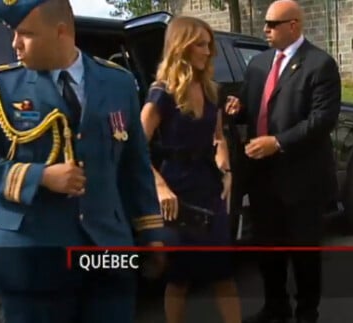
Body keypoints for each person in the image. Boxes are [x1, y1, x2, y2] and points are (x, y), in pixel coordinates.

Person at [0, 0, 165, 322]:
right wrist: (40, 176)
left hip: (106, 250)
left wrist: (152, 233)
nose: (15, 44)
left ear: (60, 32)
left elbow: (134, 165)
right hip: (32, 252)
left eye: (25, 34)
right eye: (14, 34)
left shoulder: (117, 82)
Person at [225, 1, 341, 322]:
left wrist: (277, 143)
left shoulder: (319, 64)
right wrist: (238, 108)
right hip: (262, 176)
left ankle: (306, 311)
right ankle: (275, 307)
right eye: (265, 23)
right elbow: (252, 105)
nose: (266, 29)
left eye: (273, 24)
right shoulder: (259, 64)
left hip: (302, 178)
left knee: (304, 252)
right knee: (268, 249)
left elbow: (322, 120)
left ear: (294, 26)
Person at [139, 16, 241, 323]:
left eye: (208, 44)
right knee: (179, 277)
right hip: (178, 190)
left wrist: (226, 170)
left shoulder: (211, 90)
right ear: (181, 47)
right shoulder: (162, 92)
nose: (207, 50)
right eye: (200, 44)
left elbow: (219, 137)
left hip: (209, 187)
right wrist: (158, 186)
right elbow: (134, 149)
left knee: (223, 274)